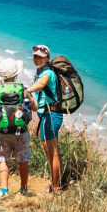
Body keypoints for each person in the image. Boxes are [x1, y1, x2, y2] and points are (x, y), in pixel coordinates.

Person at [0, 58, 37, 198]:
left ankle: (3, 191)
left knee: (3, 159)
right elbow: (34, 107)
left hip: (2, 132)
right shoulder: (23, 90)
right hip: (21, 131)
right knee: (23, 159)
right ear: (16, 74)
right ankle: (24, 189)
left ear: (2, 77)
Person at [27, 44, 62, 193]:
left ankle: (56, 187)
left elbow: (41, 85)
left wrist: (27, 90)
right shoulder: (40, 72)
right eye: (36, 57)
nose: (38, 59)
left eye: (41, 57)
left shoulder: (47, 73)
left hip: (51, 115)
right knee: (49, 152)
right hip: (45, 115)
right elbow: (41, 98)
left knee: (52, 152)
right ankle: (54, 181)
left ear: (48, 58)